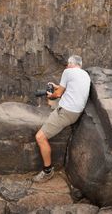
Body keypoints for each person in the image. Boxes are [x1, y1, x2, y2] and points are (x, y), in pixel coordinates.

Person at [33, 55, 91, 183]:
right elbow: (69, 89)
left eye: (67, 64)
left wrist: (51, 95)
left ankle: (47, 171)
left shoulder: (68, 71)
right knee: (53, 100)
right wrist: (56, 86)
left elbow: (58, 94)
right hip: (76, 112)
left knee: (40, 137)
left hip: (66, 112)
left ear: (70, 64)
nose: (66, 66)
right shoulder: (85, 74)